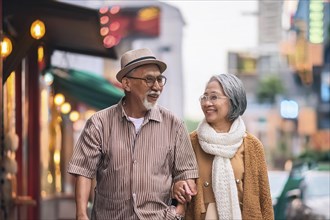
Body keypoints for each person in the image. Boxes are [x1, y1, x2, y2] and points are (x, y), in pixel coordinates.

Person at [67, 48, 199, 220]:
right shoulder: (99, 123)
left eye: (160, 79)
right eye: (149, 79)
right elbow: (83, 171)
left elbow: (187, 174)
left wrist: (178, 211)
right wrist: (81, 214)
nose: (157, 86)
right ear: (126, 84)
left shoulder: (174, 125)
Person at [175, 73, 274, 220]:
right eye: (204, 97)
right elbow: (174, 184)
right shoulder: (190, 142)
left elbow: (264, 201)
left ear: (233, 101)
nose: (207, 103)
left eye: (214, 97)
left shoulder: (253, 146)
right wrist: (176, 187)